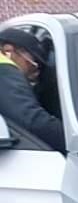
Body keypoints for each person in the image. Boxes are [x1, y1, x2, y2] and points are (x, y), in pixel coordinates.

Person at [0, 24, 65, 153]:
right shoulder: (4, 68)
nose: (35, 74)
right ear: (9, 51)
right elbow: (33, 121)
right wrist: (72, 140)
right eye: (34, 64)